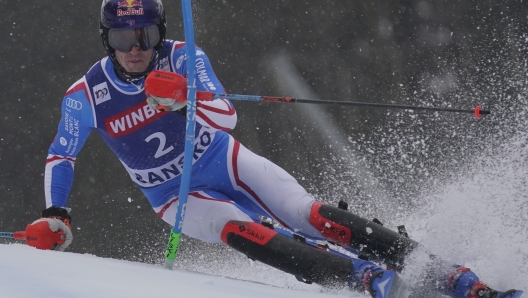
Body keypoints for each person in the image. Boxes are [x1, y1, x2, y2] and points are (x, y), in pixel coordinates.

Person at [28, 1, 522, 298]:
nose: (135, 47)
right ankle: (372, 282)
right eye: (122, 37)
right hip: (175, 198)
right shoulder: (85, 93)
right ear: (106, 40)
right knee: (241, 230)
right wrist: (56, 214)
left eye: (145, 35)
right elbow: (61, 154)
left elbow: (228, 116)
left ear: (158, 34)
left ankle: (457, 279)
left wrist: (184, 100)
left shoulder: (183, 57)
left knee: (310, 214)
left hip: (223, 158)